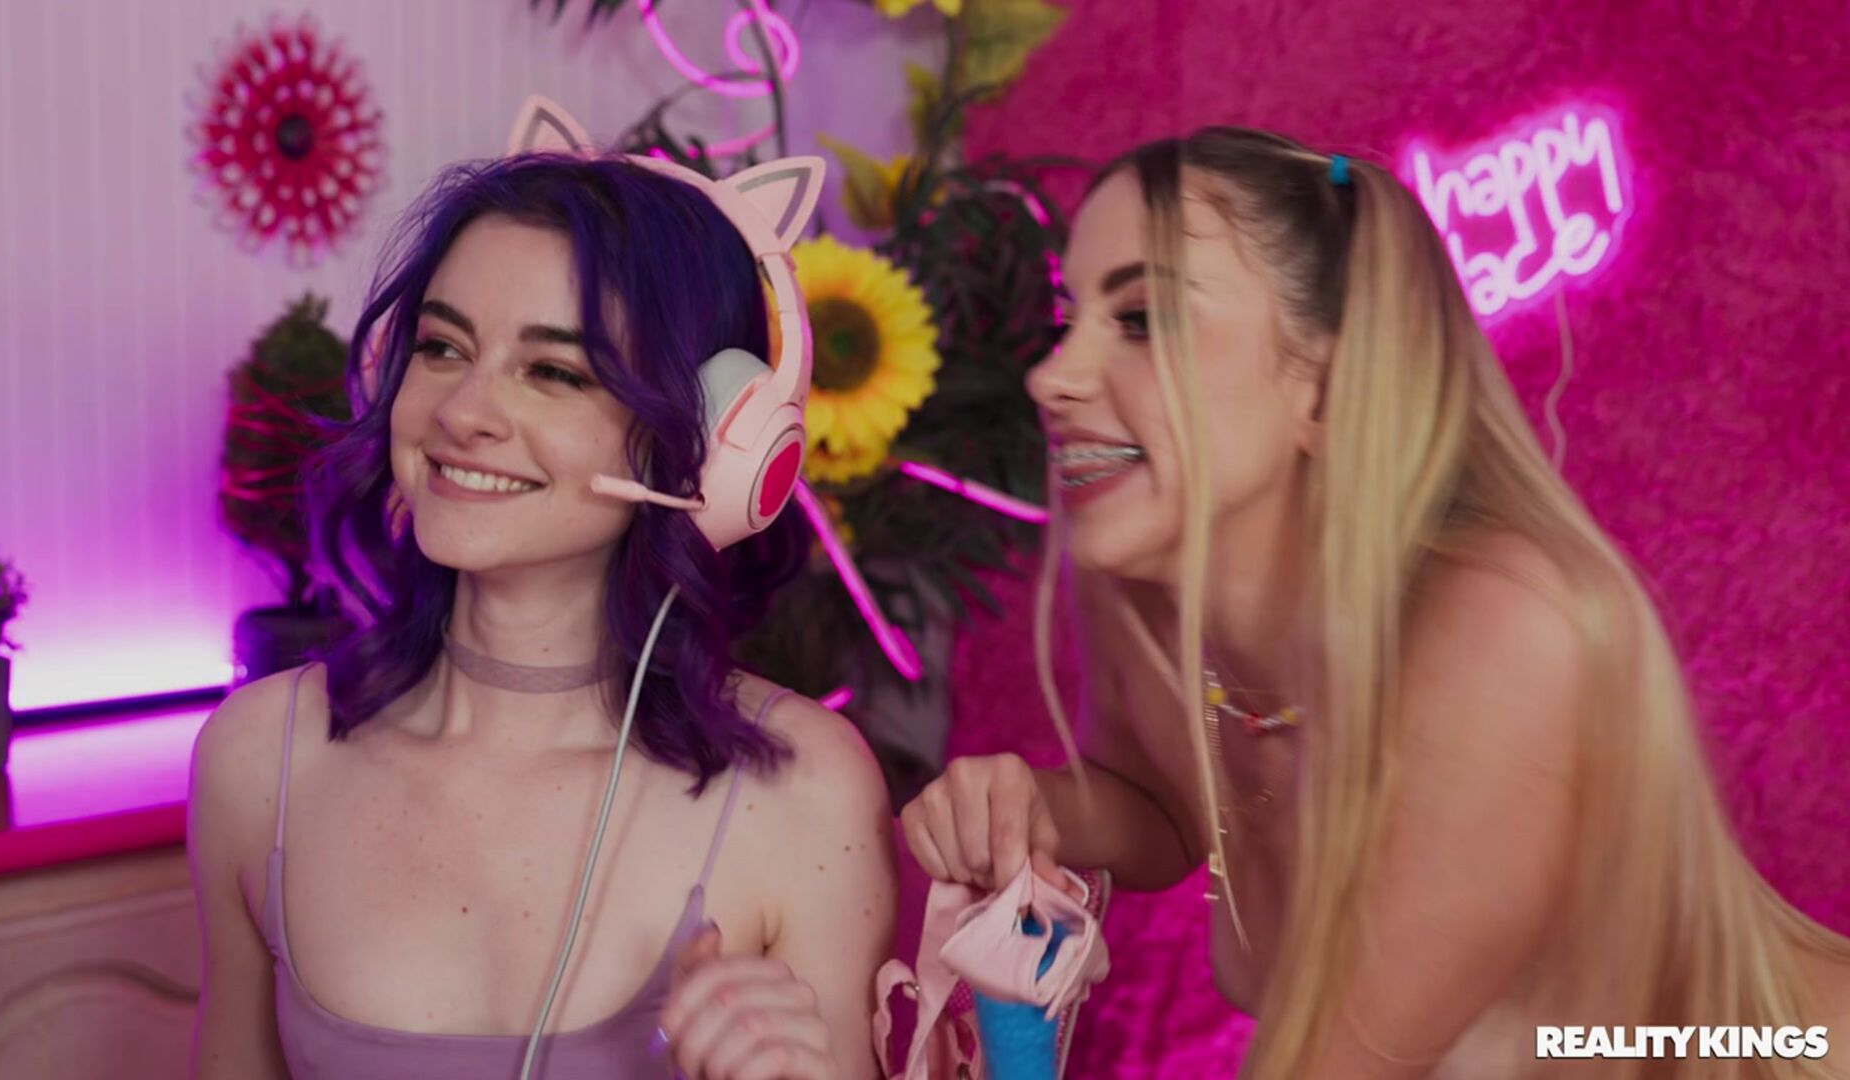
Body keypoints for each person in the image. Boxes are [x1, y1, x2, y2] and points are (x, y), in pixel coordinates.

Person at [900, 127, 1850, 1077]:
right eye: (1070, 321)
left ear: (1326, 386)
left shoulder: (1506, 640)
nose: (1051, 377)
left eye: (1144, 320)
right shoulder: (1166, 616)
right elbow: (1165, 807)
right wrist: (1033, 806)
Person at [188, 144, 895, 1080]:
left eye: (554, 371)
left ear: (711, 441)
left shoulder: (807, 792)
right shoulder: (257, 760)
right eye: (442, 348)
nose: (462, 412)